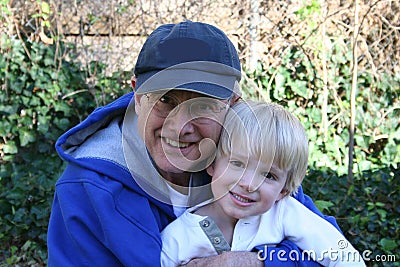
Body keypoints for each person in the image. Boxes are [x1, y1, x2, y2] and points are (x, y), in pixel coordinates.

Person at [47, 20, 341, 266]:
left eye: (203, 106)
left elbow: (332, 250)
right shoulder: (87, 190)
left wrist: (261, 261)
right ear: (138, 96)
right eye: (165, 100)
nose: (180, 128)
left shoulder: (252, 158)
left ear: (231, 104)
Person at [160, 100, 366, 267]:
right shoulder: (177, 238)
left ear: (283, 190)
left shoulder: (284, 214)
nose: (249, 184)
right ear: (212, 164)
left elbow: (344, 257)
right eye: (237, 163)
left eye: (269, 176)